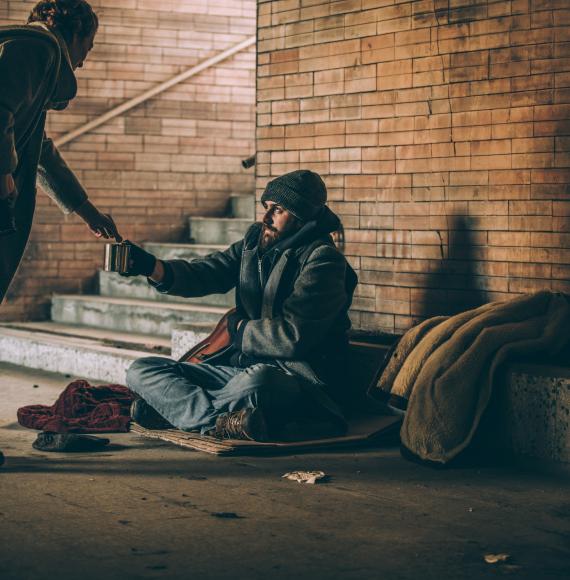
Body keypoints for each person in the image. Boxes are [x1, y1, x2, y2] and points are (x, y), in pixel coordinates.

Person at [125, 170, 358, 441]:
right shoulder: (253, 243)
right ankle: (218, 422)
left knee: (258, 382)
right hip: (237, 369)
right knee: (141, 370)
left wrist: (238, 329)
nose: (265, 218)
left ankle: (178, 413)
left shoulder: (323, 261)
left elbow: (292, 337)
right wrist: (151, 267)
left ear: (301, 216)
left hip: (296, 378)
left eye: (278, 210)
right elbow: (205, 274)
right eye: (266, 207)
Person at [0, 0, 120, 303]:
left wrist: (87, 211)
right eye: (88, 48)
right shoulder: (37, 48)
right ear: (76, 34)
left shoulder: (35, 54)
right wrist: (3, 174)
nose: (83, 62)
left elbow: (37, 148)